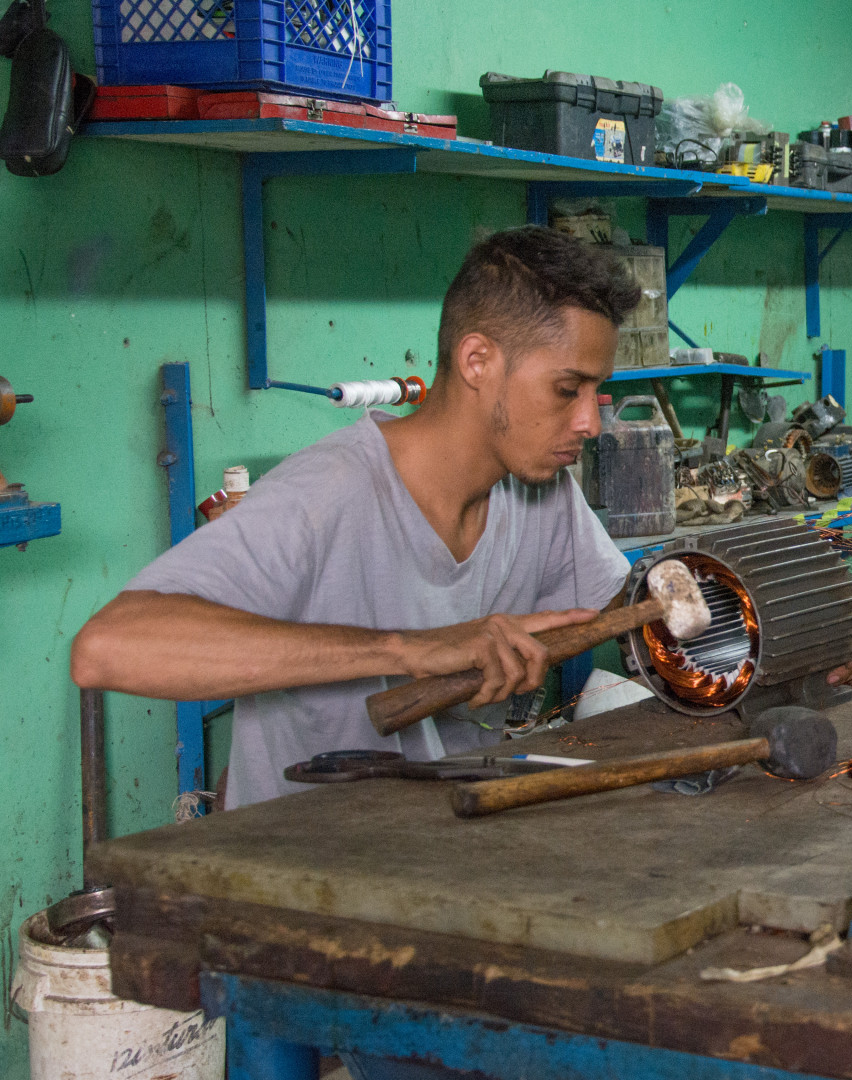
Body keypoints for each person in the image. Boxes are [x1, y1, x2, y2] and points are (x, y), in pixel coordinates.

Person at [72, 227, 641, 808]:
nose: (590, 424)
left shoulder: (541, 491)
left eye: (595, 392)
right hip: (302, 851)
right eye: (566, 389)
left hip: (439, 837)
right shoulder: (327, 493)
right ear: (477, 361)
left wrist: (674, 599)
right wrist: (407, 649)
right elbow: (107, 647)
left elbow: (618, 606)